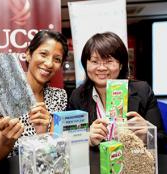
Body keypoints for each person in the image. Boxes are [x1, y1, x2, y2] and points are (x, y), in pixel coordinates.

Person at [68, 31, 167, 172]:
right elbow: (70, 142)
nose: (101, 68)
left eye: (109, 61)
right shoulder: (77, 96)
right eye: (94, 61)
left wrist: (147, 135)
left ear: (121, 65)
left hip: (133, 166)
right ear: (85, 65)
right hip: (97, 167)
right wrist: (86, 138)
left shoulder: (142, 91)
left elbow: (163, 140)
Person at [0, 30, 68, 164]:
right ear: (28, 54)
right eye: (43, 54)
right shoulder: (5, 94)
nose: (49, 63)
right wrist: (7, 141)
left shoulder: (59, 96)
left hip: (41, 166)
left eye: (57, 59)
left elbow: (55, 154)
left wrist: (42, 134)